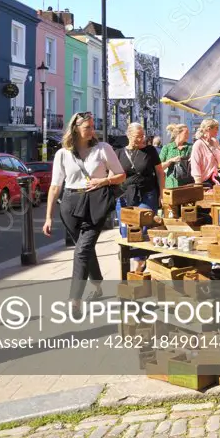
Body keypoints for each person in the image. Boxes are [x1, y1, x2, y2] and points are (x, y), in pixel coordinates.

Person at [43, 112, 126, 307]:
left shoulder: (103, 149)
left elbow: (121, 175)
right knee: (85, 249)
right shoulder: (62, 153)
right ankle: (97, 285)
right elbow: (55, 186)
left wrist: (104, 180)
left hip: (96, 202)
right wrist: (48, 217)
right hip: (70, 204)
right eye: (87, 127)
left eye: (91, 126)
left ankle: (75, 299)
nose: (91, 130)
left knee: (81, 250)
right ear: (75, 129)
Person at [116, 123, 165, 210]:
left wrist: (162, 194)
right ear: (128, 135)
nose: (140, 139)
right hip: (125, 195)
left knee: (144, 221)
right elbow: (114, 175)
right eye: (137, 136)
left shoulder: (150, 151)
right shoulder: (119, 153)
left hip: (147, 194)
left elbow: (160, 172)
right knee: (127, 223)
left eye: (142, 136)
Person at [191, 118, 220, 188]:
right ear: (209, 129)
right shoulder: (198, 144)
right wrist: (198, 184)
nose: (218, 131)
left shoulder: (215, 142)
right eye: (216, 128)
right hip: (205, 181)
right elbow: (195, 165)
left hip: (217, 179)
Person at [160, 123, 193, 188]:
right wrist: (171, 160)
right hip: (171, 184)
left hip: (187, 183)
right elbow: (159, 167)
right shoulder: (167, 147)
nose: (188, 135)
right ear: (178, 133)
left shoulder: (190, 147)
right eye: (186, 133)